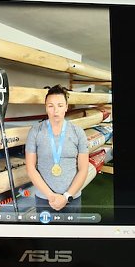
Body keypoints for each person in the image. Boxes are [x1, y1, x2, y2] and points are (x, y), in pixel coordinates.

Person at [25, 85, 89, 213]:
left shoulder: (78, 132)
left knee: (72, 233)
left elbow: (83, 169)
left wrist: (66, 196)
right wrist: (51, 196)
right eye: (51, 106)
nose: (55, 111)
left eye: (60, 105)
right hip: (44, 198)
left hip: (72, 198)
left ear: (66, 107)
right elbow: (30, 168)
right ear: (46, 107)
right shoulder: (35, 131)